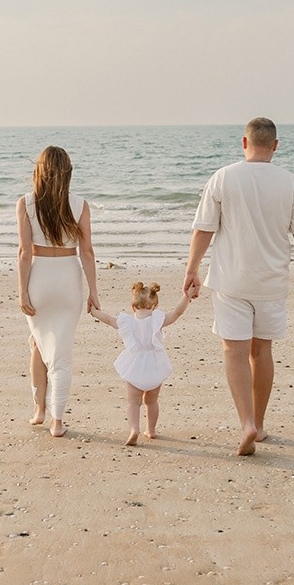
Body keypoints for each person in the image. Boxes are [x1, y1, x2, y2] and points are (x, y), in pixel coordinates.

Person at [183, 117, 294, 456]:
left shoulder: (223, 177)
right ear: (275, 146)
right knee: (262, 351)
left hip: (231, 280)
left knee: (234, 350)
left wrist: (192, 270)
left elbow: (204, 229)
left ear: (244, 143)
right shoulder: (292, 183)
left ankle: (246, 424)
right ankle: (259, 422)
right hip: (271, 282)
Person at [16, 146, 100, 437]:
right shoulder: (80, 204)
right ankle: (57, 421)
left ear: (38, 171)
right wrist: (93, 291)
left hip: (39, 279)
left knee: (38, 345)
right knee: (61, 353)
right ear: (68, 173)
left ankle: (39, 409)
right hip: (68, 279)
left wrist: (22, 292)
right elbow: (87, 252)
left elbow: (25, 252)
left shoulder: (25, 203)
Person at [88, 281, 191, 446]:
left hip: (134, 366)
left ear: (133, 307)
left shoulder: (127, 322)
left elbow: (108, 319)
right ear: (155, 306)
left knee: (133, 402)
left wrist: (94, 311)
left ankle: (134, 429)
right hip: (155, 366)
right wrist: (187, 296)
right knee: (152, 401)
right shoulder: (157, 320)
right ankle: (151, 430)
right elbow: (177, 312)